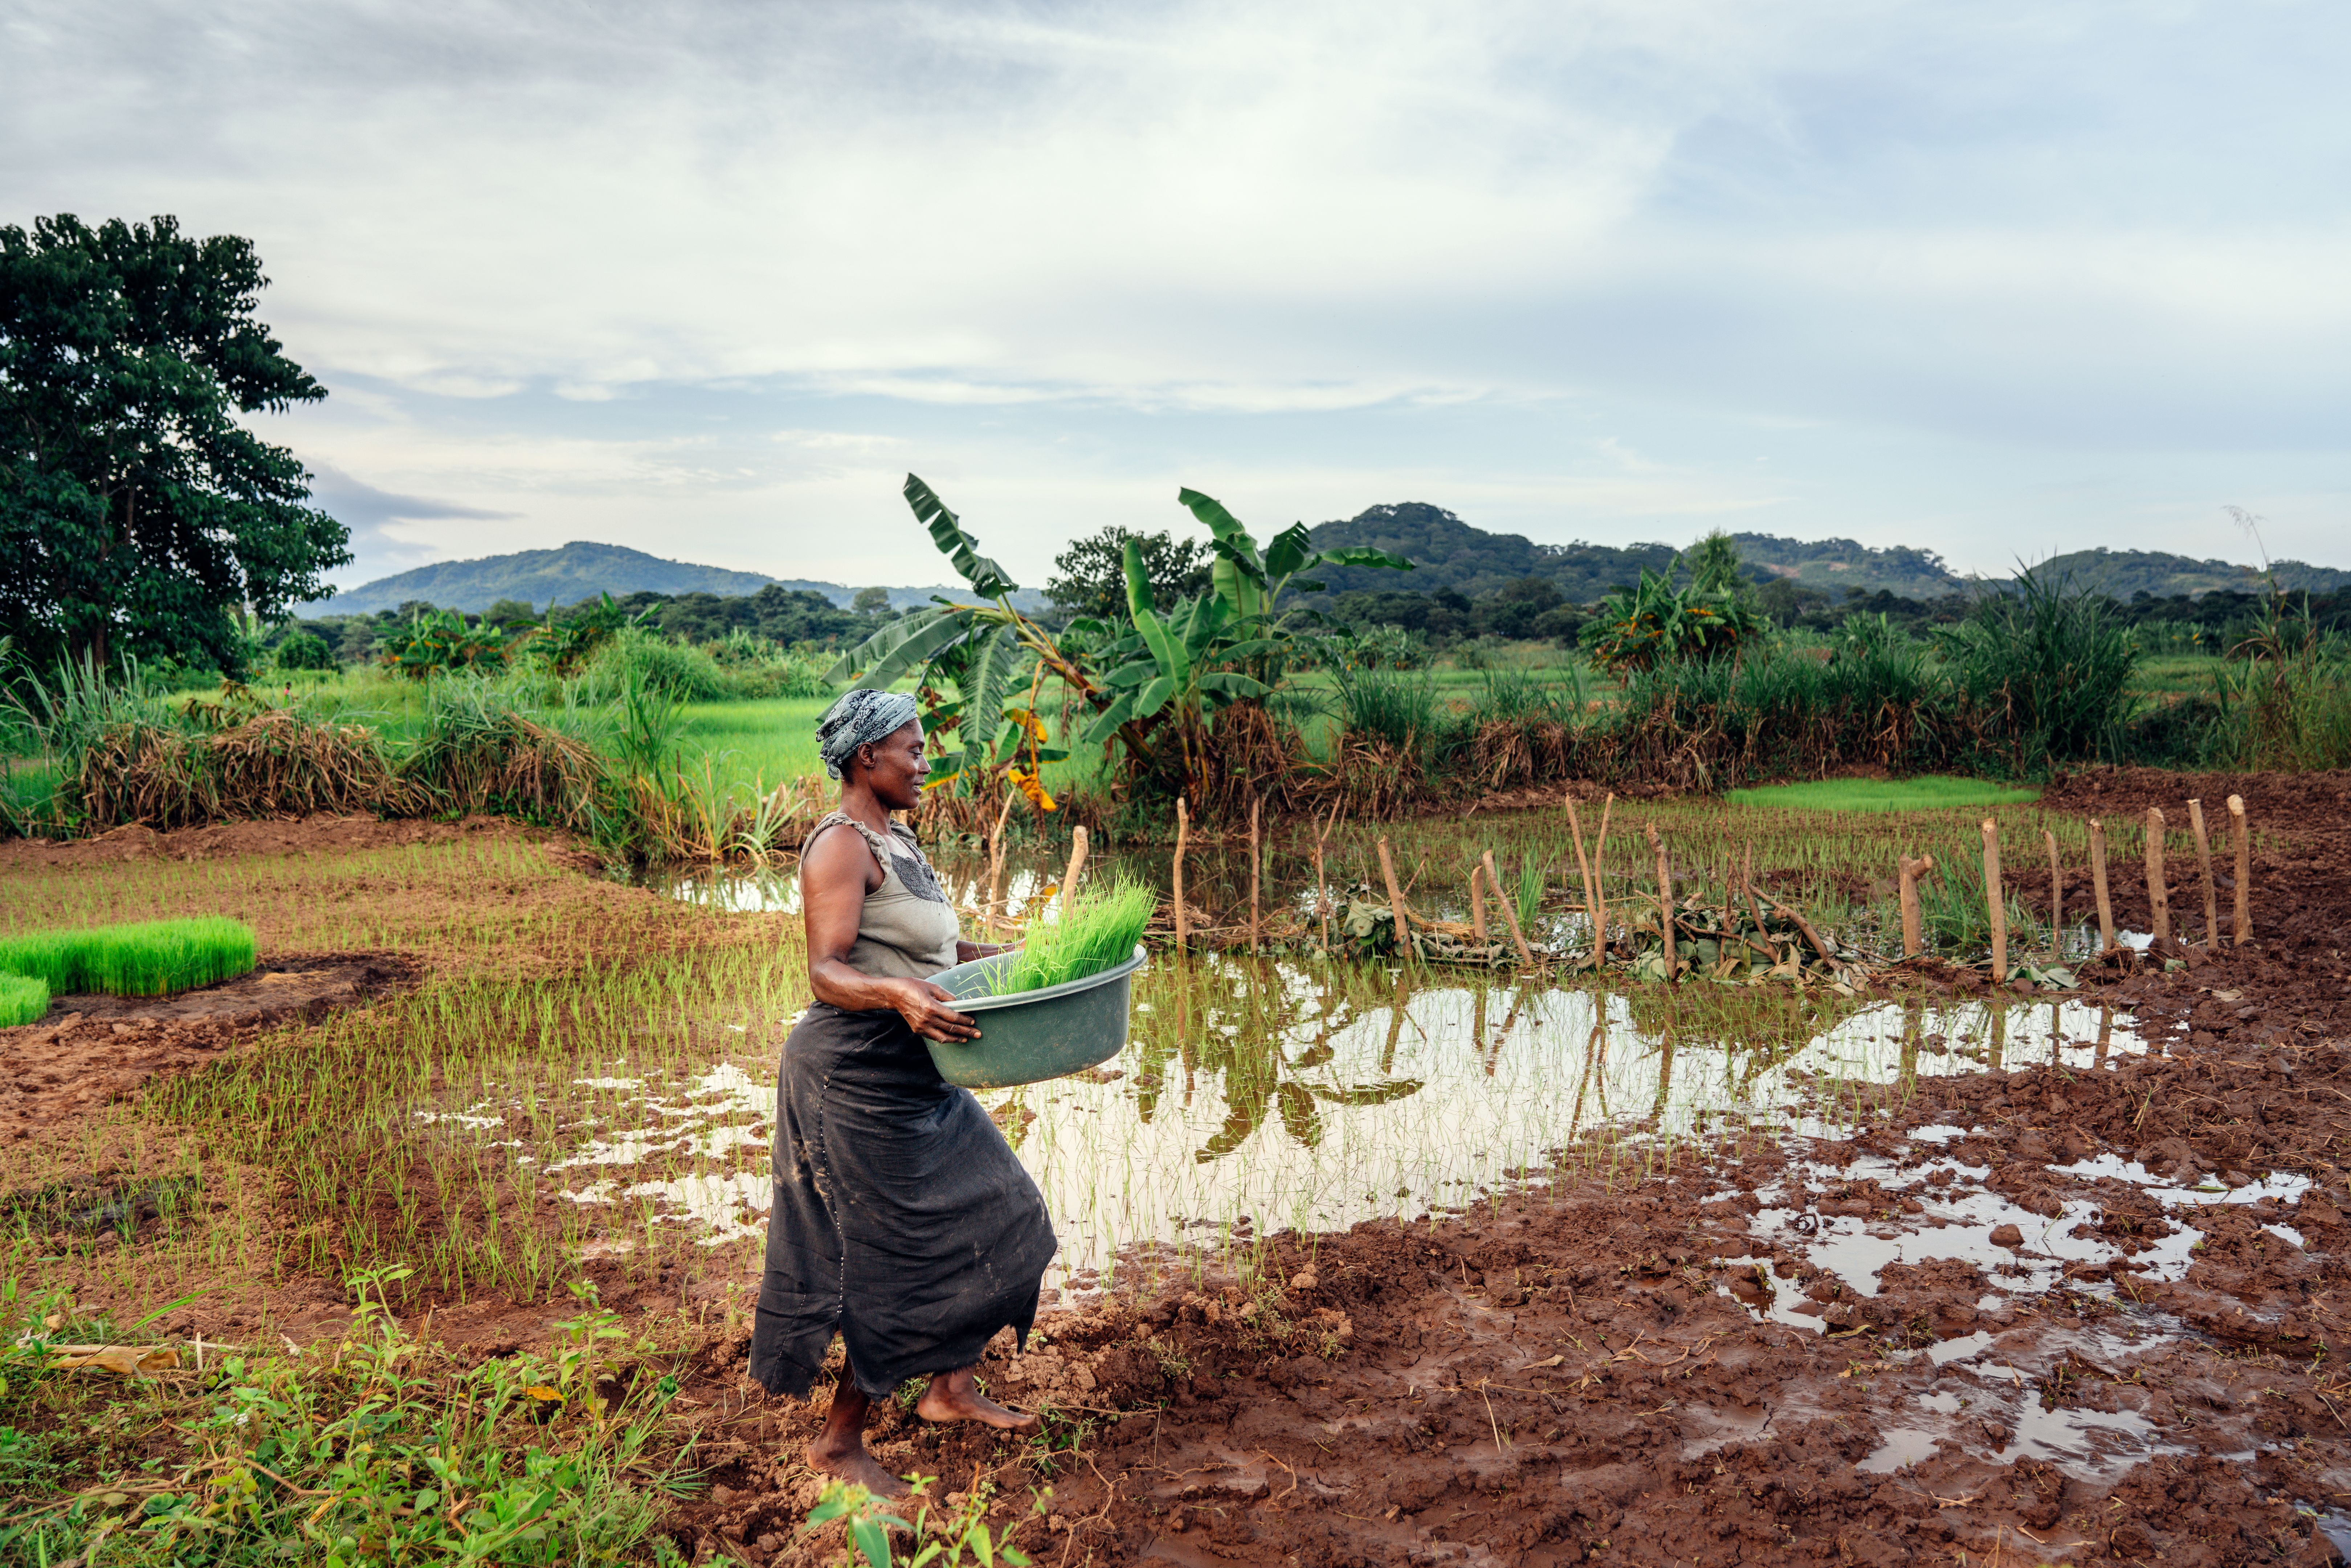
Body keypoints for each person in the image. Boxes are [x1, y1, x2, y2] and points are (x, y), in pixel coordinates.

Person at [750, 688, 1056, 1496]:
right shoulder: (839, 847)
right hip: (853, 1073)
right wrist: (898, 997)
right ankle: (837, 1445)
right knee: (896, 1262)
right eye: (912, 752)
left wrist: (1024, 958)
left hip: (919, 1066)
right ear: (865, 760)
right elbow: (825, 970)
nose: (925, 765)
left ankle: (950, 1389)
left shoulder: (901, 838)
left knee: (1005, 1211)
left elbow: (941, 948)